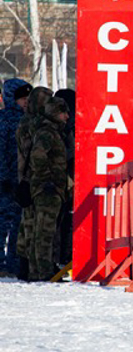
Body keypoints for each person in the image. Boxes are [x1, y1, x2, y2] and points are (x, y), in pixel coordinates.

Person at [28, 97, 69, 281]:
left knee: (48, 231)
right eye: (63, 112)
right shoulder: (47, 132)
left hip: (53, 188)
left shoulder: (54, 131)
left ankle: (45, 268)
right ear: (54, 113)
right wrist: (46, 180)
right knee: (44, 232)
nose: (67, 116)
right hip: (47, 190)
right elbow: (37, 155)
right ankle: (42, 272)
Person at [15, 86, 53, 281]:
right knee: (36, 226)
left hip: (25, 177)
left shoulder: (24, 121)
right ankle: (34, 269)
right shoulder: (37, 124)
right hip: (35, 178)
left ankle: (25, 267)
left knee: (27, 224)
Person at [0, 79, 31, 277]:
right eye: (22, 98)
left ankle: (11, 262)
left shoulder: (24, 120)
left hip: (15, 181)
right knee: (7, 223)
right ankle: (8, 263)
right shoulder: (8, 121)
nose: (25, 102)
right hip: (7, 181)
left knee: (14, 223)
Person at [53, 88, 75, 266]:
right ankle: (65, 255)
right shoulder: (66, 125)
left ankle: (62, 256)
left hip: (63, 177)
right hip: (67, 178)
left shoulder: (61, 125)